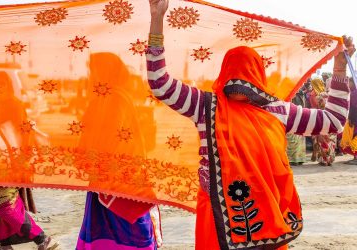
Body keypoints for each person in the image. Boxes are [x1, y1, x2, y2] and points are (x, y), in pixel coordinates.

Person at [147, 0, 354, 249]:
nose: (240, 82)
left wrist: (340, 69)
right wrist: (157, 20)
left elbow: (333, 121)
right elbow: (160, 84)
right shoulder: (205, 105)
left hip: (268, 214)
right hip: (218, 216)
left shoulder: (278, 110)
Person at [76, 52, 162, 250]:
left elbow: (111, 137)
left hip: (117, 181)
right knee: (111, 229)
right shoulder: (108, 97)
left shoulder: (114, 99)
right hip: (107, 179)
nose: (91, 76)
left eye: (94, 71)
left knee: (126, 227)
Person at [0, 72, 54, 250]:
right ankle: (5, 244)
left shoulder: (14, 105)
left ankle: (41, 238)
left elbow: (24, 134)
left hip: (11, 165)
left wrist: (23, 162)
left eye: (0, 86)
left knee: (6, 206)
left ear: (7, 87)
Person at [309, 78, 338, 165]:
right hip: (331, 118)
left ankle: (324, 159)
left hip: (319, 118)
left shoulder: (314, 94)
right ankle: (330, 159)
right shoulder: (328, 94)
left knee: (321, 139)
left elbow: (315, 106)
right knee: (330, 139)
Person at [286, 87, 308, 166]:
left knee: (293, 139)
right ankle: (299, 158)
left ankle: (293, 159)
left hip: (293, 118)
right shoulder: (301, 94)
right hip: (299, 117)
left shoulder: (296, 94)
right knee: (297, 138)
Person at [341, 77, 357, 164]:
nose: (348, 84)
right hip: (354, 118)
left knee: (354, 137)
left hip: (355, 119)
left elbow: (353, 108)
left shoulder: (354, 94)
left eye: (349, 82)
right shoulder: (353, 92)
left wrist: (351, 119)